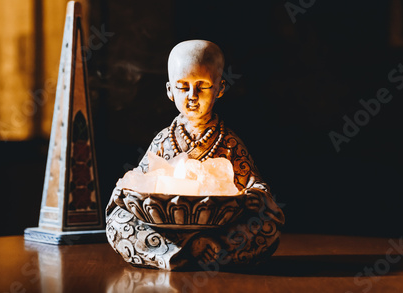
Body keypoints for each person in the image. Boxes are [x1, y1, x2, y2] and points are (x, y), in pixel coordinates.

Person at [106, 40, 285, 270]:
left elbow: (256, 187)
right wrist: (124, 193)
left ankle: (211, 247)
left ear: (220, 88)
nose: (192, 95)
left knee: (266, 226)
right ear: (170, 90)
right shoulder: (163, 140)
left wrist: (254, 196)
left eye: (202, 86)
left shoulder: (228, 143)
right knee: (117, 222)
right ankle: (182, 251)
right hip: (165, 230)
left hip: (218, 229)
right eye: (183, 86)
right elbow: (138, 182)